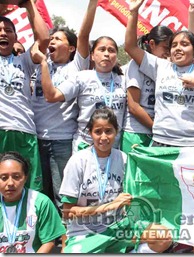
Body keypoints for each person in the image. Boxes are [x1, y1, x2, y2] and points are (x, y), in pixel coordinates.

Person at [59, 107, 172, 253]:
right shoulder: (78, 161)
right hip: (86, 232)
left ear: (116, 131)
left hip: (120, 227)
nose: (104, 137)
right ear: (90, 133)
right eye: (98, 132)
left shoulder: (123, 158)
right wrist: (109, 206)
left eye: (108, 131)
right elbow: (68, 212)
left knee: (163, 236)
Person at [30, 0, 97, 216]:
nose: (51, 41)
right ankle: (45, 235)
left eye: (57, 39)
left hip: (63, 141)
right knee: (39, 193)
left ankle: (68, 241)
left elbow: (84, 35)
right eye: (51, 38)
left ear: (71, 48)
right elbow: (38, 36)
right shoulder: (39, 62)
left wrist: (93, 4)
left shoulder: (77, 66)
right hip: (36, 138)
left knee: (63, 194)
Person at [125, 0, 194, 147]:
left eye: (184, 45)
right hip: (161, 142)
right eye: (174, 45)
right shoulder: (160, 66)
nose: (178, 48)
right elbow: (131, 47)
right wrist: (133, 13)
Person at [33, 35, 127, 152]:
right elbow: (52, 96)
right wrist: (44, 63)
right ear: (92, 55)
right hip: (85, 146)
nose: (107, 54)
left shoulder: (124, 80)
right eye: (102, 49)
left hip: (113, 148)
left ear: (116, 56)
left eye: (111, 50)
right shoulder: (82, 77)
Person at [0, 0, 50, 191]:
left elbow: (44, 39)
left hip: (24, 132)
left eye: (8, 30)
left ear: (16, 37)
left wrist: (28, 3)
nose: (3, 33)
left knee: (29, 190)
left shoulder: (24, 60)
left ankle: (29, 221)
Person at [0, 151, 65, 253]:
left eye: (16, 177)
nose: (10, 183)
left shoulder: (41, 202)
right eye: (4, 178)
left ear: (25, 178)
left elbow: (48, 242)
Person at [121, 25, 173, 153]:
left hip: (158, 135)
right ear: (152, 44)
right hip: (137, 133)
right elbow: (134, 107)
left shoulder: (167, 68)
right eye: (166, 47)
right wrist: (156, 127)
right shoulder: (136, 65)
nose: (168, 52)